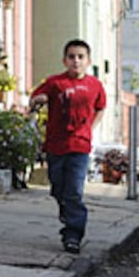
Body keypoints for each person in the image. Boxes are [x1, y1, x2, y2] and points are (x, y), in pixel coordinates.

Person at [29, 39, 106, 254]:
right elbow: (36, 96)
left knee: (74, 191)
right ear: (64, 60)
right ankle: (66, 209)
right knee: (58, 187)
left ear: (88, 61)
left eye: (80, 57)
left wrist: (91, 126)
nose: (76, 61)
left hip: (80, 145)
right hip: (56, 144)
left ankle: (73, 234)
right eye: (71, 57)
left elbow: (101, 107)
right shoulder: (55, 82)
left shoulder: (94, 85)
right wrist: (40, 99)